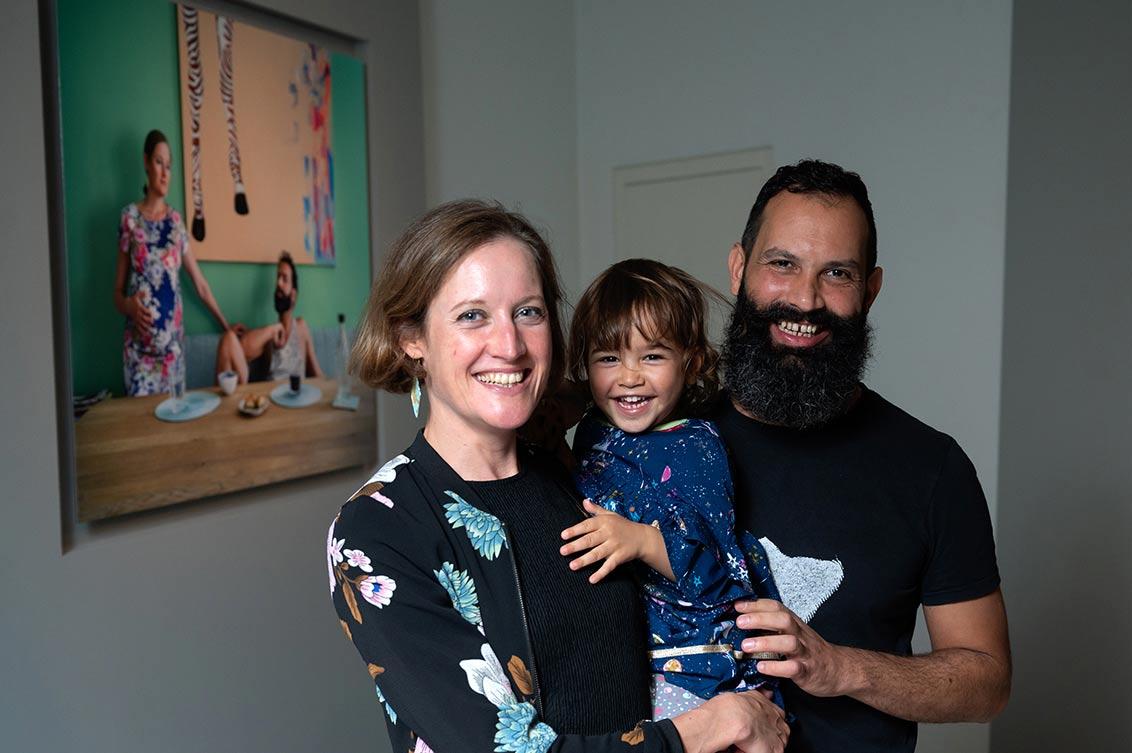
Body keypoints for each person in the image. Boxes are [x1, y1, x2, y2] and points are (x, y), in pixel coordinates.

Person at [327, 200, 789, 753]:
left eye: (528, 312)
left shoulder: (580, 474)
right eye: (472, 315)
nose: (510, 346)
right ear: (411, 338)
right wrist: (715, 724)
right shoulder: (376, 530)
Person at [716, 160, 1011, 752]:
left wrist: (840, 669)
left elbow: (987, 681)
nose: (805, 299)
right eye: (782, 264)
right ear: (739, 268)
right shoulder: (659, 441)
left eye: (837, 274)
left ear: (870, 290)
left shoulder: (932, 468)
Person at [559, 259, 782, 719]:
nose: (629, 376)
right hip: (621, 663)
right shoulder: (593, 431)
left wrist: (641, 541)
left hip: (699, 666)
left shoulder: (695, 448)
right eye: (609, 358)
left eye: (652, 356)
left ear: (692, 362)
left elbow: (721, 575)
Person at [114, 129, 234, 396]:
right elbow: (116, 293)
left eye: (169, 165)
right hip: (138, 356)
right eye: (159, 162)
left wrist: (227, 327)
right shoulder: (129, 218)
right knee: (142, 433)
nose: (165, 172)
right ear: (146, 162)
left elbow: (200, 285)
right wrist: (129, 306)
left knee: (173, 428)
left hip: (172, 356)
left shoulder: (176, 223)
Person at [215, 251, 323, 384]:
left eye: (284, 279)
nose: (278, 283)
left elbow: (317, 374)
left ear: (293, 295)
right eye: (278, 277)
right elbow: (242, 349)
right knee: (228, 338)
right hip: (272, 399)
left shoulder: (301, 328)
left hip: (297, 398)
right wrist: (274, 329)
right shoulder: (269, 335)